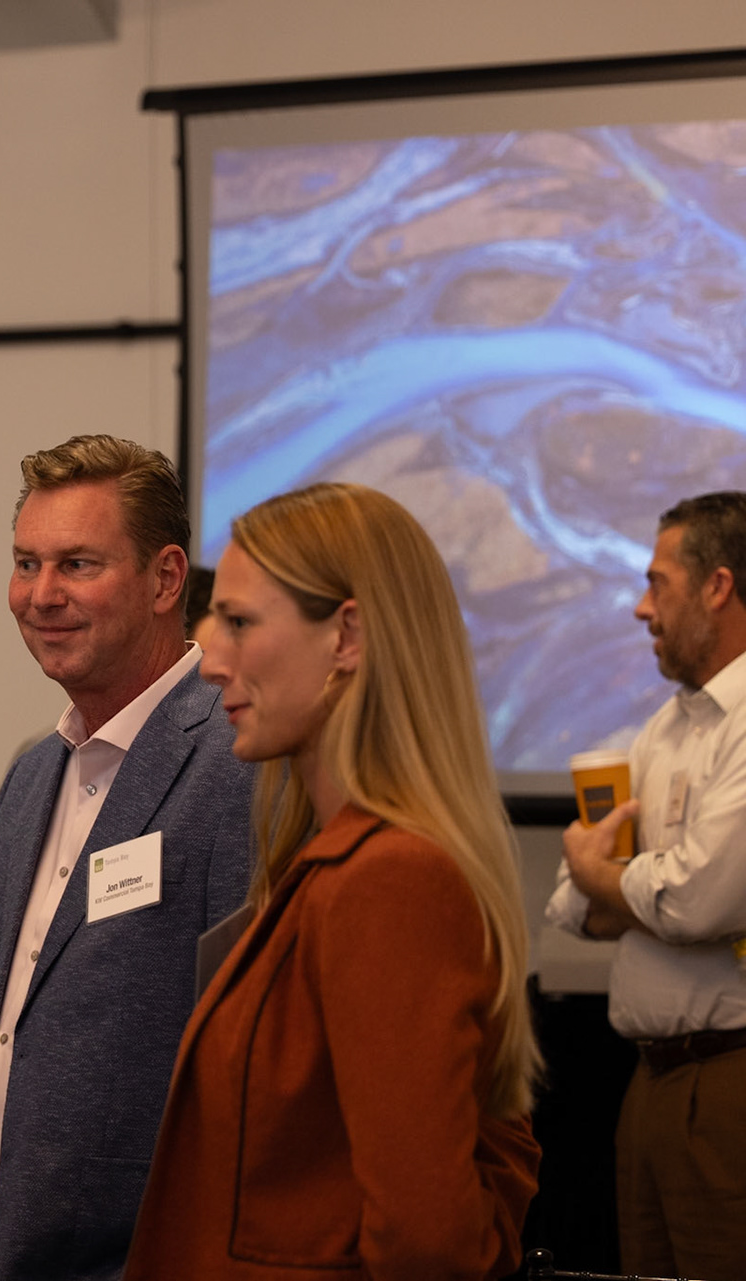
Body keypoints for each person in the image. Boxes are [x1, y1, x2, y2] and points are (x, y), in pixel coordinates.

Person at [126, 482, 541, 1280]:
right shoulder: (336, 862)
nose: (211, 660)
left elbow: (427, 1242)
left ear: (347, 636)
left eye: (240, 622)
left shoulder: (389, 878)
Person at [0, 434, 254, 1280]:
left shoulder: (239, 767)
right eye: (26, 564)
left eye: (77, 564)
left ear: (166, 579)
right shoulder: (32, 776)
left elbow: (244, 1084)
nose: (41, 595)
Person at [547, 490, 746, 1279]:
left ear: (718, 587)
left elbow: (699, 899)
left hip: (729, 1084)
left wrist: (606, 879)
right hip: (650, 1082)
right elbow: (570, 902)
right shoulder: (668, 725)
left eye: (657, 582)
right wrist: (622, 889)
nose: (640, 607)